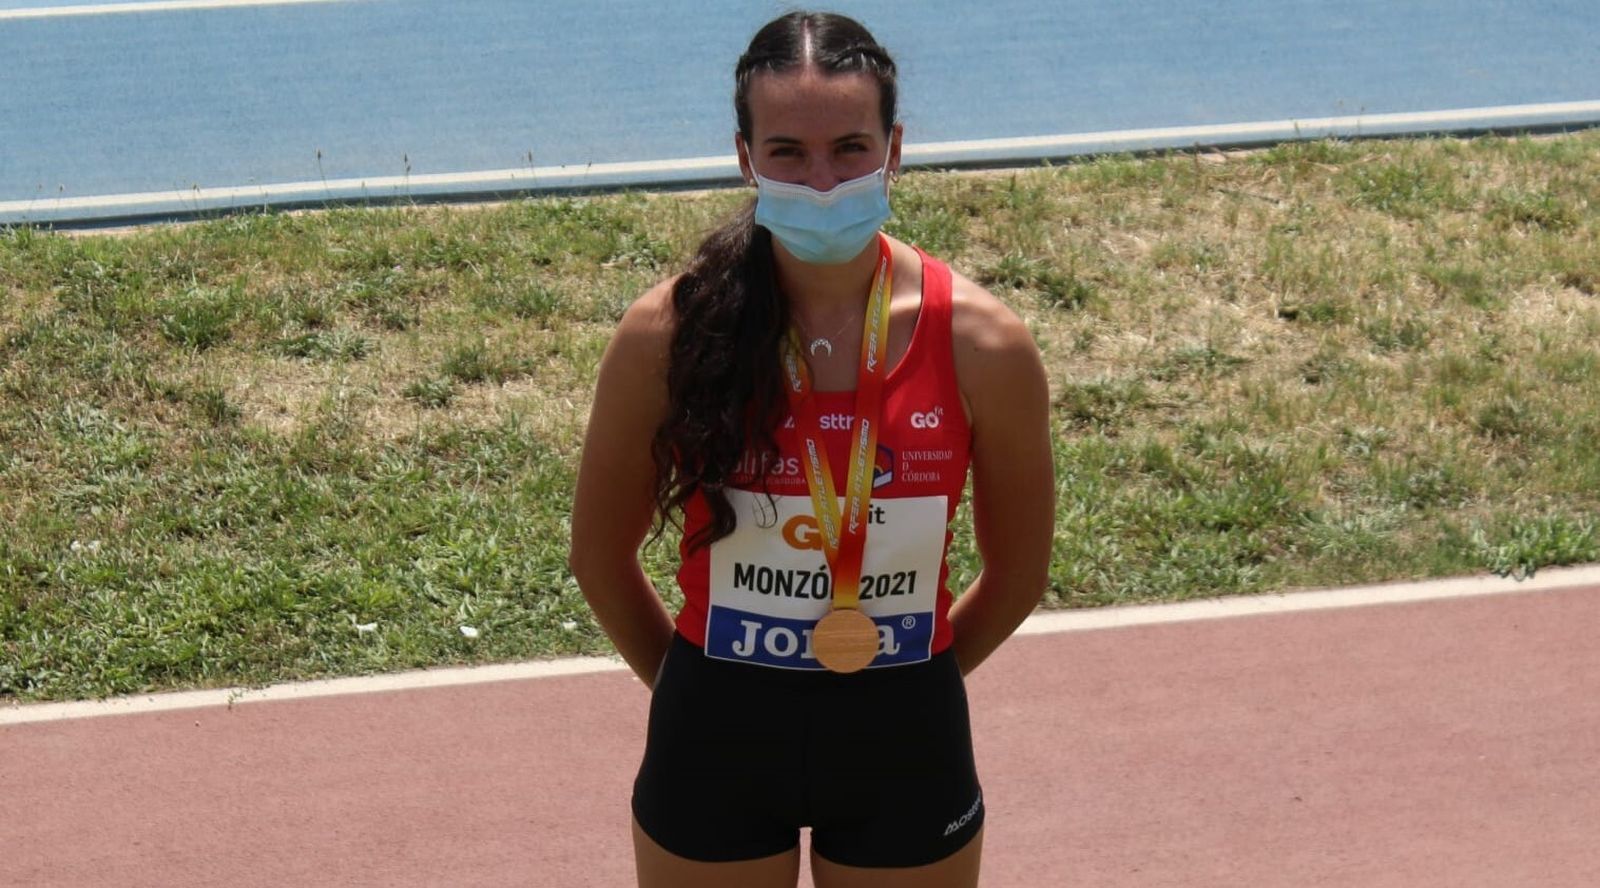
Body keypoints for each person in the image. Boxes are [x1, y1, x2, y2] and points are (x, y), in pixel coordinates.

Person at [569, 11, 1054, 887]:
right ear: (745, 157)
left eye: (851, 148)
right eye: (788, 151)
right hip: (715, 733)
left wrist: (904, 679)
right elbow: (599, 556)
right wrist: (702, 690)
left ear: (895, 148)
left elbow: (1018, 575)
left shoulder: (983, 342)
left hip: (904, 735)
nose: (823, 180)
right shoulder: (668, 331)